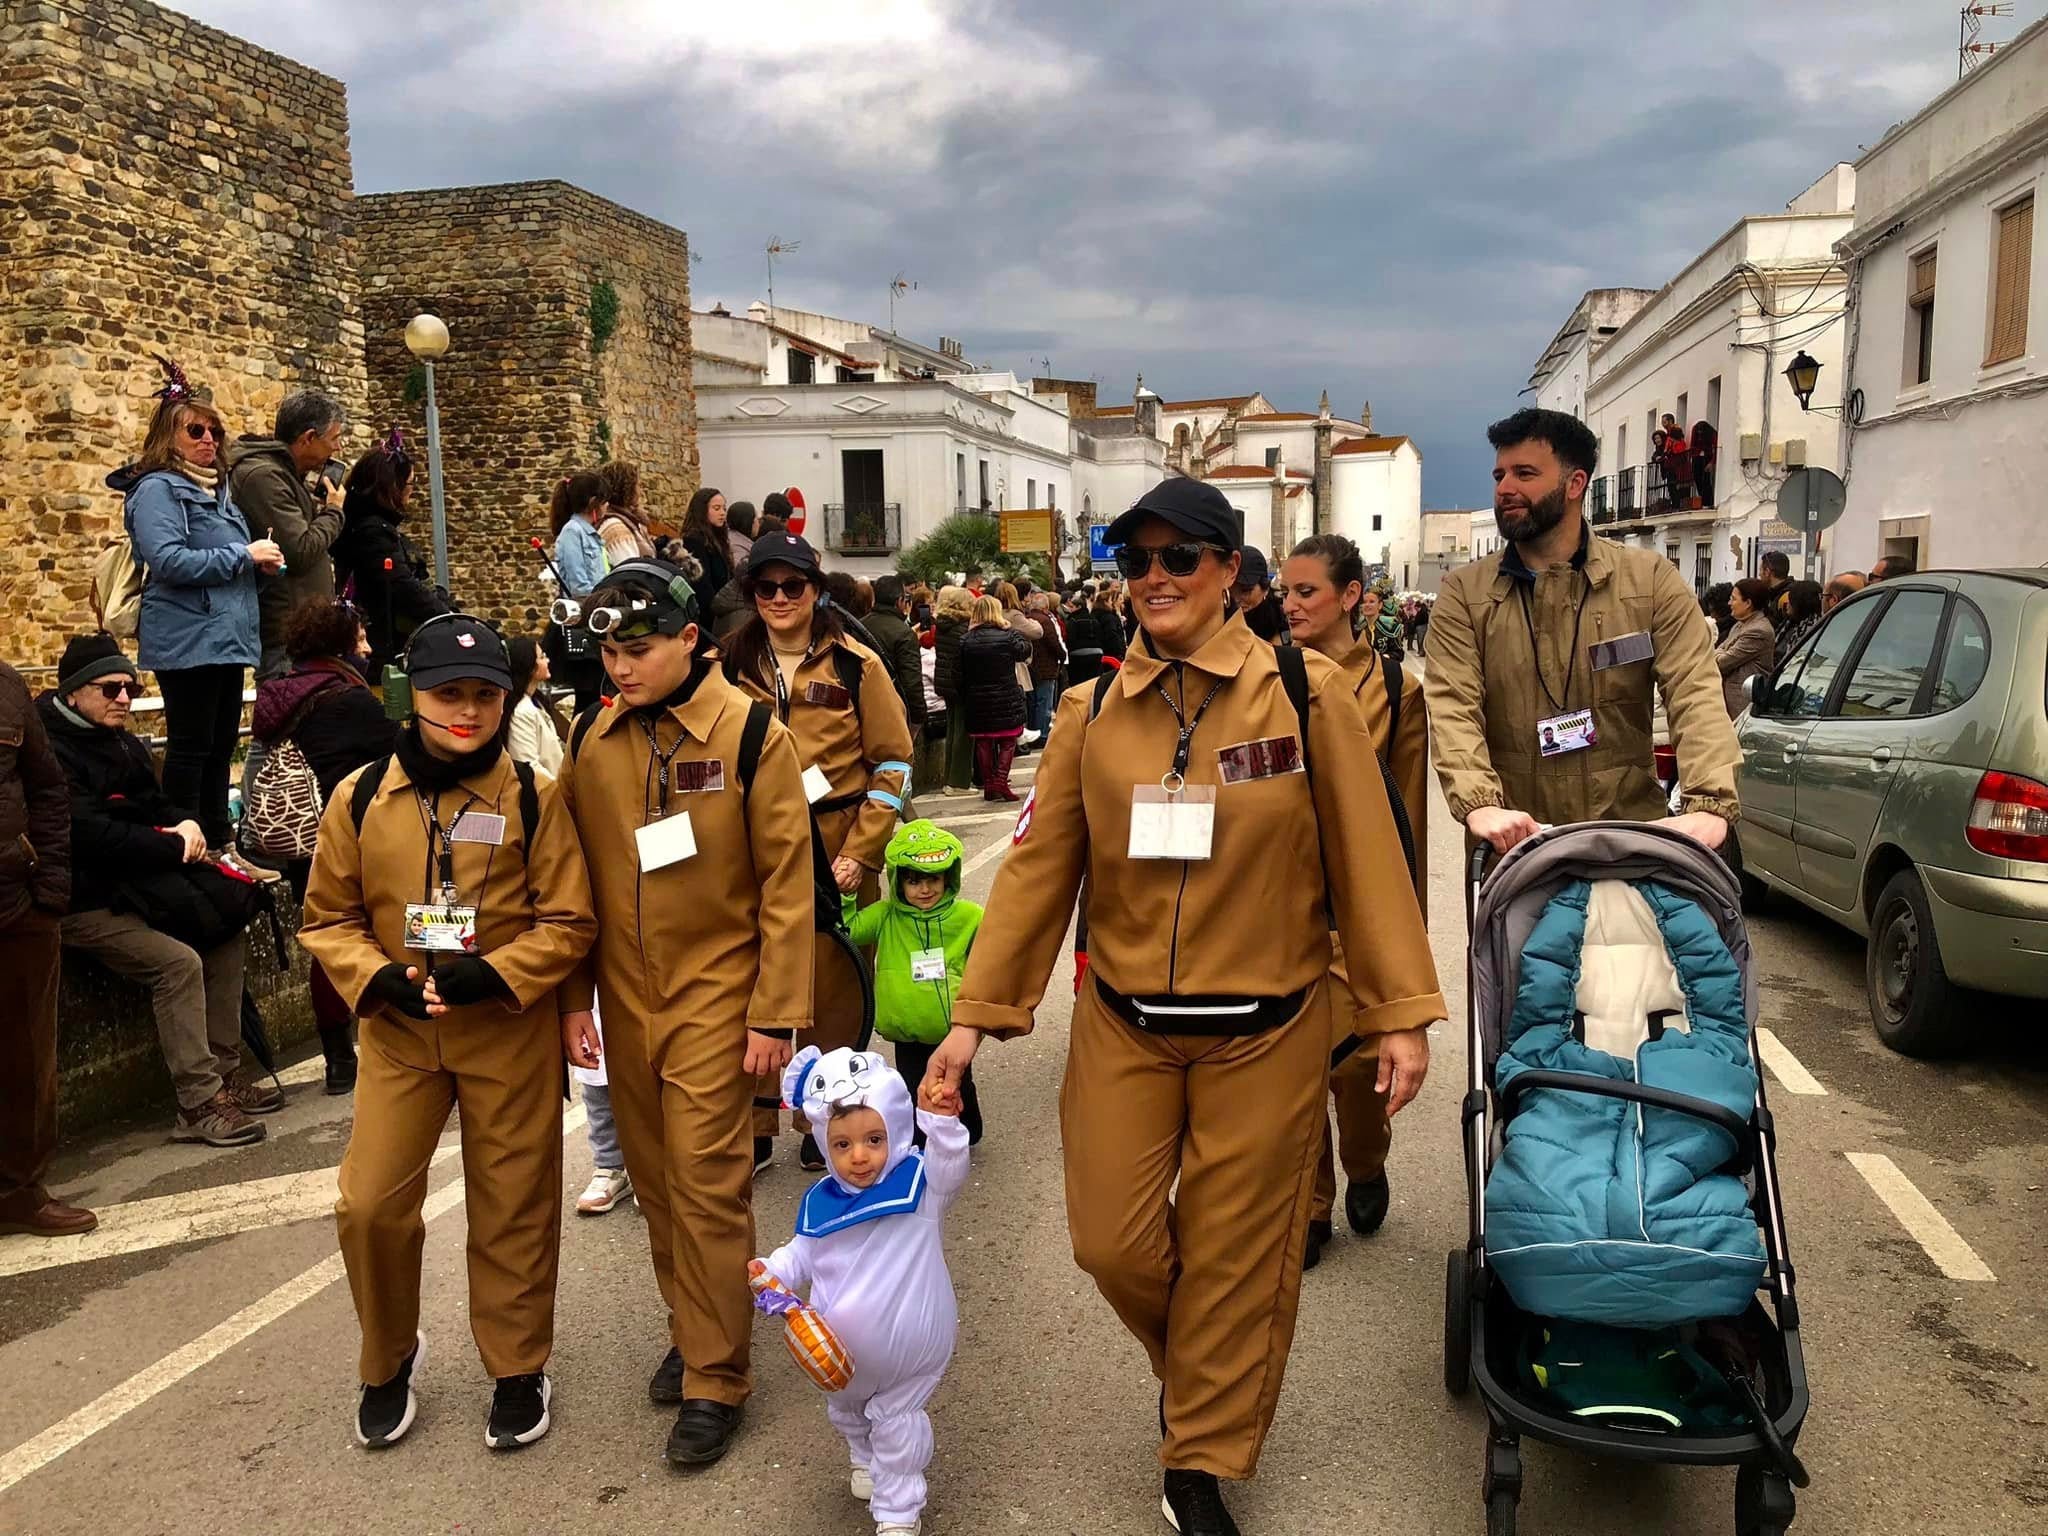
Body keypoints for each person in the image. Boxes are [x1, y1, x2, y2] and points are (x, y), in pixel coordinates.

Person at [919, 479, 1445, 1536]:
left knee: (1234, 1253)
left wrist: (1396, 1008)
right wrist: (972, 1018)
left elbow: (1367, 857)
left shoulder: (1305, 696)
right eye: (1135, 561)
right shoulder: (1087, 711)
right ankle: (1208, 1370)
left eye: (1178, 559)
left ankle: (1196, 1454)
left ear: (1228, 576)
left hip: (1270, 1030)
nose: (1153, 579)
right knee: (1109, 1244)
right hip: (1124, 1026)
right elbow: (1035, 872)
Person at [300, 615, 593, 1451]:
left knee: (513, 1206)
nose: (466, 712)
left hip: (505, 1031)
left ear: (507, 700)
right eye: (446, 694)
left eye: (483, 695)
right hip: (399, 1038)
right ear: (411, 695)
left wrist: (499, 971)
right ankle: (387, 1356)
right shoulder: (359, 797)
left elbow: (570, 917)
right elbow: (329, 917)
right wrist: (376, 978)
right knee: (369, 1204)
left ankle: (516, 1365)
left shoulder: (536, 795)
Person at [555, 558, 814, 1466]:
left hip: (718, 996)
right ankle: (697, 1323)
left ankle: (716, 1375)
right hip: (625, 1003)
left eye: (640, 649)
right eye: (610, 654)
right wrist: (572, 1000)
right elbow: (571, 879)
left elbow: (789, 882)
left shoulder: (752, 736)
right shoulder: (592, 736)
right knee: (659, 1186)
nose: (622, 668)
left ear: (690, 641)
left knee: (708, 1187)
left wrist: (776, 1011)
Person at [1426, 408, 1741, 859]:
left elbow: (1695, 691)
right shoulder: (1465, 595)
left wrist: (1710, 801)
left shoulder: (1650, 581)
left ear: (1575, 485)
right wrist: (1480, 805)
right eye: (1499, 475)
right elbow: (1453, 707)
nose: (1504, 489)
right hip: (1517, 846)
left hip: (1631, 839)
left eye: (1525, 473)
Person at [725, 533, 915, 1171]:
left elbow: (892, 764)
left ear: (815, 590)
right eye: (765, 588)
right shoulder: (729, 666)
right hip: (754, 847)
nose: (779, 598)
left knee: (835, 987)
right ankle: (755, 1123)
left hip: (838, 843)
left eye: (792, 586)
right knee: (755, 976)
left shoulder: (857, 664)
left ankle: (829, 1119)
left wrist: (863, 851)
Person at [40, 634, 276, 1146]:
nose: (124, 698)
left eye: (130, 686)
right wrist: (169, 846)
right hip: (84, 901)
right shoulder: (51, 752)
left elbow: (154, 803)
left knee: (225, 928)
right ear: (75, 692)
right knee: (177, 964)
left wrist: (186, 824)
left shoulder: (121, 741)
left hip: (142, 887)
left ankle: (226, 1076)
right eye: (111, 688)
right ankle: (197, 1102)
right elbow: (89, 834)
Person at [1280, 533, 1430, 1269]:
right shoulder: (1266, 676)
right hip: (1282, 903)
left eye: (1306, 591)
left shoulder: (1398, 689)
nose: (1291, 604)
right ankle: (1309, 1205)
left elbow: (1407, 821)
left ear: (1351, 598)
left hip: (1357, 909)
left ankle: (1366, 1163)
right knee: (1293, 1068)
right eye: (1286, 591)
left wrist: (1406, 946)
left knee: (1358, 1075)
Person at [753, 1046, 970, 1536]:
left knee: (896, 1425)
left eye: (874, 1139)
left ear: (895, 1128)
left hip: (910, 1352)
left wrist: (941, 1124)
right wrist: (770, 1271)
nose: (860, 1157)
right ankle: (863, 1454)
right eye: (843, 1145)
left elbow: (951, 1165)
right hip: (836, 1356)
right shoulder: (821, 1204)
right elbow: (800, 1254)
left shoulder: (920, 1183)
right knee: (848, 1411)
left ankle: (898, 1512)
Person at [113, 360, 280, 862]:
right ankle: (191, 843)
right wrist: (242, 555)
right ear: (170, 436)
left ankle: (221, 842)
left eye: (215, 431)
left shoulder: (218, 491)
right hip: (187, 639)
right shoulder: (157, 490)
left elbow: (222, 562)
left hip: (226, 637)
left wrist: (258, 566)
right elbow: (167, 559)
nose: (208, 440)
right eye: (196, 430)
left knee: (221, 742)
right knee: (191, 744)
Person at [250, 598, 398, 1094]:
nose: (368, 648)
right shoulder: (350, 699)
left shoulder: (281, 697)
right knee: (377, 933)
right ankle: (396, 1035)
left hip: (299, 840)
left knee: (325, 940)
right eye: (359, 640)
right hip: (352, 833)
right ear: (340, 647)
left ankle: (337, 1059)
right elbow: (398, 755)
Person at [0, 659, 95, 1237]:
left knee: (28, 1061)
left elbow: (48, 789)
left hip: (17, 904)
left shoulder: (8, 687)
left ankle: (19, 1191)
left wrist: (50, 892)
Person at [848, 820, 985, 1141]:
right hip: (904, 1031)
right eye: (913, 881)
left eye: (933, 879)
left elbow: (994, 959)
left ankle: (967, 1129)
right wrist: (846, 894)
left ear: (947, 878)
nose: (924, 890)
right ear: (898, 882)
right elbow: (849, 931)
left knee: (956, 1083)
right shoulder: (884, 916)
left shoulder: (970, 917)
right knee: (913, 1086)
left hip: (951, 1030)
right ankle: (922, 1140)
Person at [227, 390, 349, 681]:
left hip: (306, 632)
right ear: (308, 438)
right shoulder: (263, 477)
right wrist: (333, 511)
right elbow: (300, 551)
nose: (339, 448)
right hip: (287, 639)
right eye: (333, 439)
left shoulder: (285, 475)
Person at [332, 430, 449, 675]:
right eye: (410, 485)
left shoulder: (367, 525)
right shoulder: (372, 531)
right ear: (392, 487)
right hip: (382, 647)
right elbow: (402, 587)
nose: (411, 492)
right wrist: (448, 617)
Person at [959, 594, 1031, 802]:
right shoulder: (1007, 636)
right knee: (1008, 740)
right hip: (1005, 694)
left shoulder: (966, 640)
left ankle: (989, 782)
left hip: (977, 698)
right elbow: (1023, 651)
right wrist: (1011, 630)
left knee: (983, 741)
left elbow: (959, 671)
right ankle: (1000, 779)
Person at [864, 576, 928, 760]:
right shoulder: (903, 634)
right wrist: (918, 717)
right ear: (900, 601)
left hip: (862, 709)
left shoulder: (859, 626)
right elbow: (912, 680)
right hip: (894, 710)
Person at [932, 585, 975, 796]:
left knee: (952, 731)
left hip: (945, 682)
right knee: (963, 734)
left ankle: (949, 779)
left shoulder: (942, 625)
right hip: (961, 683)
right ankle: (958, 782)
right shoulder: (962, 628)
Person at [506, 635, 568, 778]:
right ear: (529, 666)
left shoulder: (537, 701)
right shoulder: (521, 712)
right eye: (542, 657)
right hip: (545, 794)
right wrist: (558, 792)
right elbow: (528, 765)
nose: (547, 660)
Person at [1716, 578, 1777, 717]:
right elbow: (1720, 649)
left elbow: (1722, 662)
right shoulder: (1739, 624)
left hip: (1742, 705)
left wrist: (1718, 653)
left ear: (1748, 603)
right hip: (1727, 701)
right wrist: (1718, 653)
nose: (1729, 603)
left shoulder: (1758, 631)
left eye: (1733, 599)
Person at [1024, 590, 1068, 745]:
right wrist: (1062, 655)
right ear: (1045, 607)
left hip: (1030, 667)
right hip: (1046, 667)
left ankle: (1033, 730)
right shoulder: (1046, 620)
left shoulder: (1026, 619)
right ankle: (1042, 734)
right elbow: (1053, 642)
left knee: (1032, 701)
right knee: (1044, 702)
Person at [682, 486, 735, 607]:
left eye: (724, 508)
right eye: (717, 508)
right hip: (709, 613)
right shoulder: (694, 541)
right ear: (702, 510)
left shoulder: (718, 539)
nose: (722, 513)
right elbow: (701, 587)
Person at [596, 461, 656, 567]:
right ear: (626, 488)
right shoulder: (616, 528)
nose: (640, 492)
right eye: (637, 486)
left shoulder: (630, 522)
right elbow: (630, 572)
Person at [1230, 546, 1289, 643]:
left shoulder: (1285, 617)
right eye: (1231, 592)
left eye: (1245, 590)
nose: (1236, 598)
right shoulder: (1222, 620)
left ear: (1265, 588)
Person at [1774, 579, 1824, 668]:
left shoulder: (1812, 631)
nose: (1787, 604)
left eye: (1790, 601)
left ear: (1799, 604)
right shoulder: (1789, 622)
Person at [1358, 586, 1405, 663]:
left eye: (1371, 602)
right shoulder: (1357, 627)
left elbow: (1399, 654)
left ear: (1380, 605)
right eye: (1364, 602)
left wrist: (1384, 657)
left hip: (1384, 670)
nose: (1367, 605)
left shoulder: (1391, 627)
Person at [725, 499, 758, 575]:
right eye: (756, 518)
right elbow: (740, 575)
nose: (758, 522)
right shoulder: (737, 547)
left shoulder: (730, 538)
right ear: (749, 521)